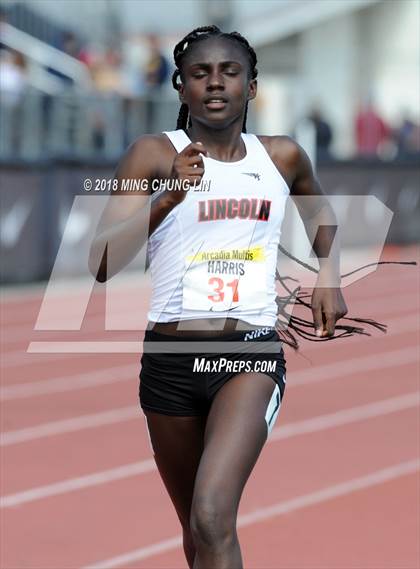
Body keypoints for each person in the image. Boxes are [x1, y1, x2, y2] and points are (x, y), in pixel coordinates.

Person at [89, 25, 375, 569]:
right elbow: (99, 264)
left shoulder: (282, 157)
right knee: (197, 537)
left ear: (252, 86)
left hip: (248, 356)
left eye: (229, 72)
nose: (215, 84)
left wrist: (329, 274)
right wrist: (168, 196)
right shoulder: (151, 154)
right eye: (200, 74)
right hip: (169, 360)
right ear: (181, 88)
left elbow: (320, 211)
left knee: (212, 515)